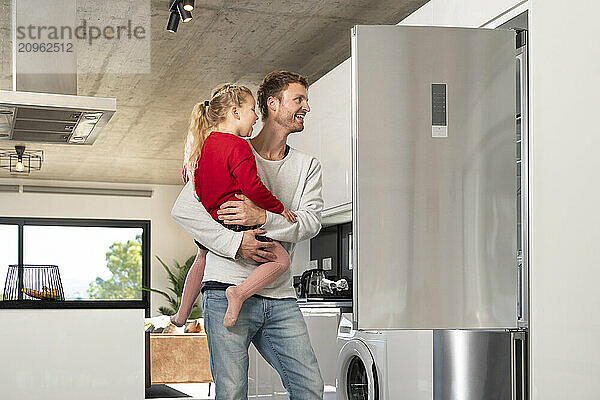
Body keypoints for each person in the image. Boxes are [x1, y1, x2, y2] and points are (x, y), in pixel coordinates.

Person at [171, 70, 324, 399]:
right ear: (273, 104)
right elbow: (185, 210)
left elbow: (310, 222)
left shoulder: (308, 166)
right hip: (224, 288)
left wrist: (263, 218)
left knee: (310, 388)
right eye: (299, 99)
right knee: (232, 393)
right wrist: (237, 243)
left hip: (280, 297)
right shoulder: (226, 150)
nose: (307, 107)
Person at [170, 83, 297, 328]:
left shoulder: (202, 147)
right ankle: (239, 293)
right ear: (235, 112)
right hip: (235, 221)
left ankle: (182, 313)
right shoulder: (238, 146)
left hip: (215, 218)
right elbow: (252, 187)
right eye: (251, 110)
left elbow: (192, 183)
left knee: (202, 256)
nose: (256, 116)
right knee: (282, 261)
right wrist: (279, 208)